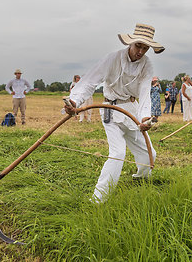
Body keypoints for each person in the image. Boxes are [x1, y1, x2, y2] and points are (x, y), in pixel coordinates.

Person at [64, 23, 164, 203]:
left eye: (145, 48)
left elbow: (144, 91)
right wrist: (75, 101)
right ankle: (98, 200)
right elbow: (90, 81)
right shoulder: (113, 58)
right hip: (110, 110)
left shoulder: (147, 65)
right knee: (118, 153)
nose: (141, 51)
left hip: (132, 111)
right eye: (138, 46)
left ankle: (141, 180)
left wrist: (145, 118)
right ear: (131, 44)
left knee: (150, 155)